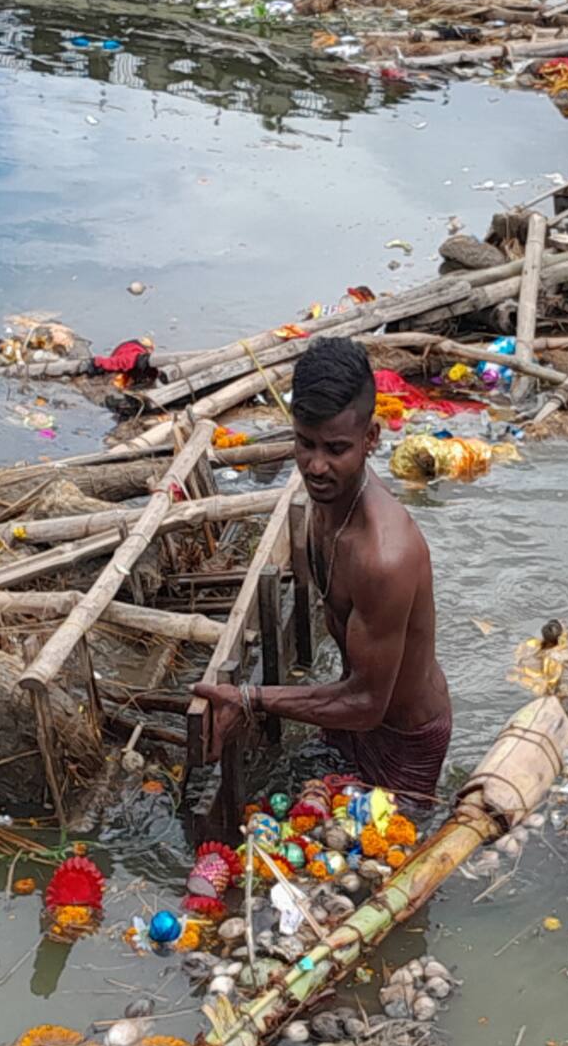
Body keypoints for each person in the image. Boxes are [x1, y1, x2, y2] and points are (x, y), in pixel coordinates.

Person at [193, 338, 453, 799]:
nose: (315, 466)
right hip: (350, 709)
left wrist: (251, 698)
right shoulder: (324, 504)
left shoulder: (384, 556)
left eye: (336, 449)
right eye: (304, 443)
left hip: (403, 740)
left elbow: (367, 704)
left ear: (371, 438)